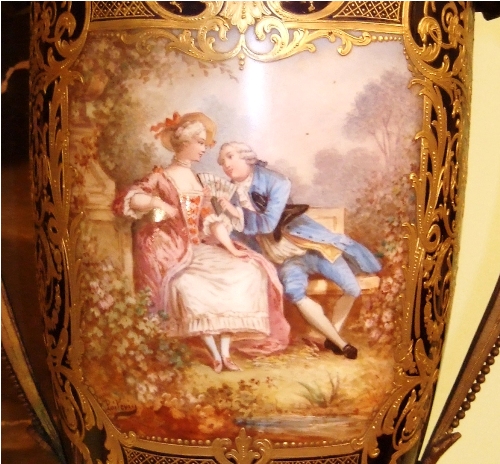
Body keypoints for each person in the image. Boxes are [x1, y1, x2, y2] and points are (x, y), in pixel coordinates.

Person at [113, 114, 289, 372]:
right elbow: (130, 198)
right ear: (184, 143)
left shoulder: (197, 180)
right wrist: (157, 203)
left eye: (205, 143)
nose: (204, 149)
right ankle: (214, 354)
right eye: (200, 142)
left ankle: (225, 353)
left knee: (248, 270)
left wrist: (232, 249)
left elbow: (208, 219)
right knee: (190, 284)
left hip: (198, 246)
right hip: (169, 246)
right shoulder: (161, 177)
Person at [216, 142, 382, 359]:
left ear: (246, 157)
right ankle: (342, 344)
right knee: (294, 293)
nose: (226, 165)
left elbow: (268, 224)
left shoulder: (276, 181)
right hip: (284, 260)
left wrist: (237, 213)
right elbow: (233, 234)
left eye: (230, 157)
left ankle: (332, 338)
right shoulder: (228, 195)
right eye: (222, 162)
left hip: (312, 247)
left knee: (352, 289)